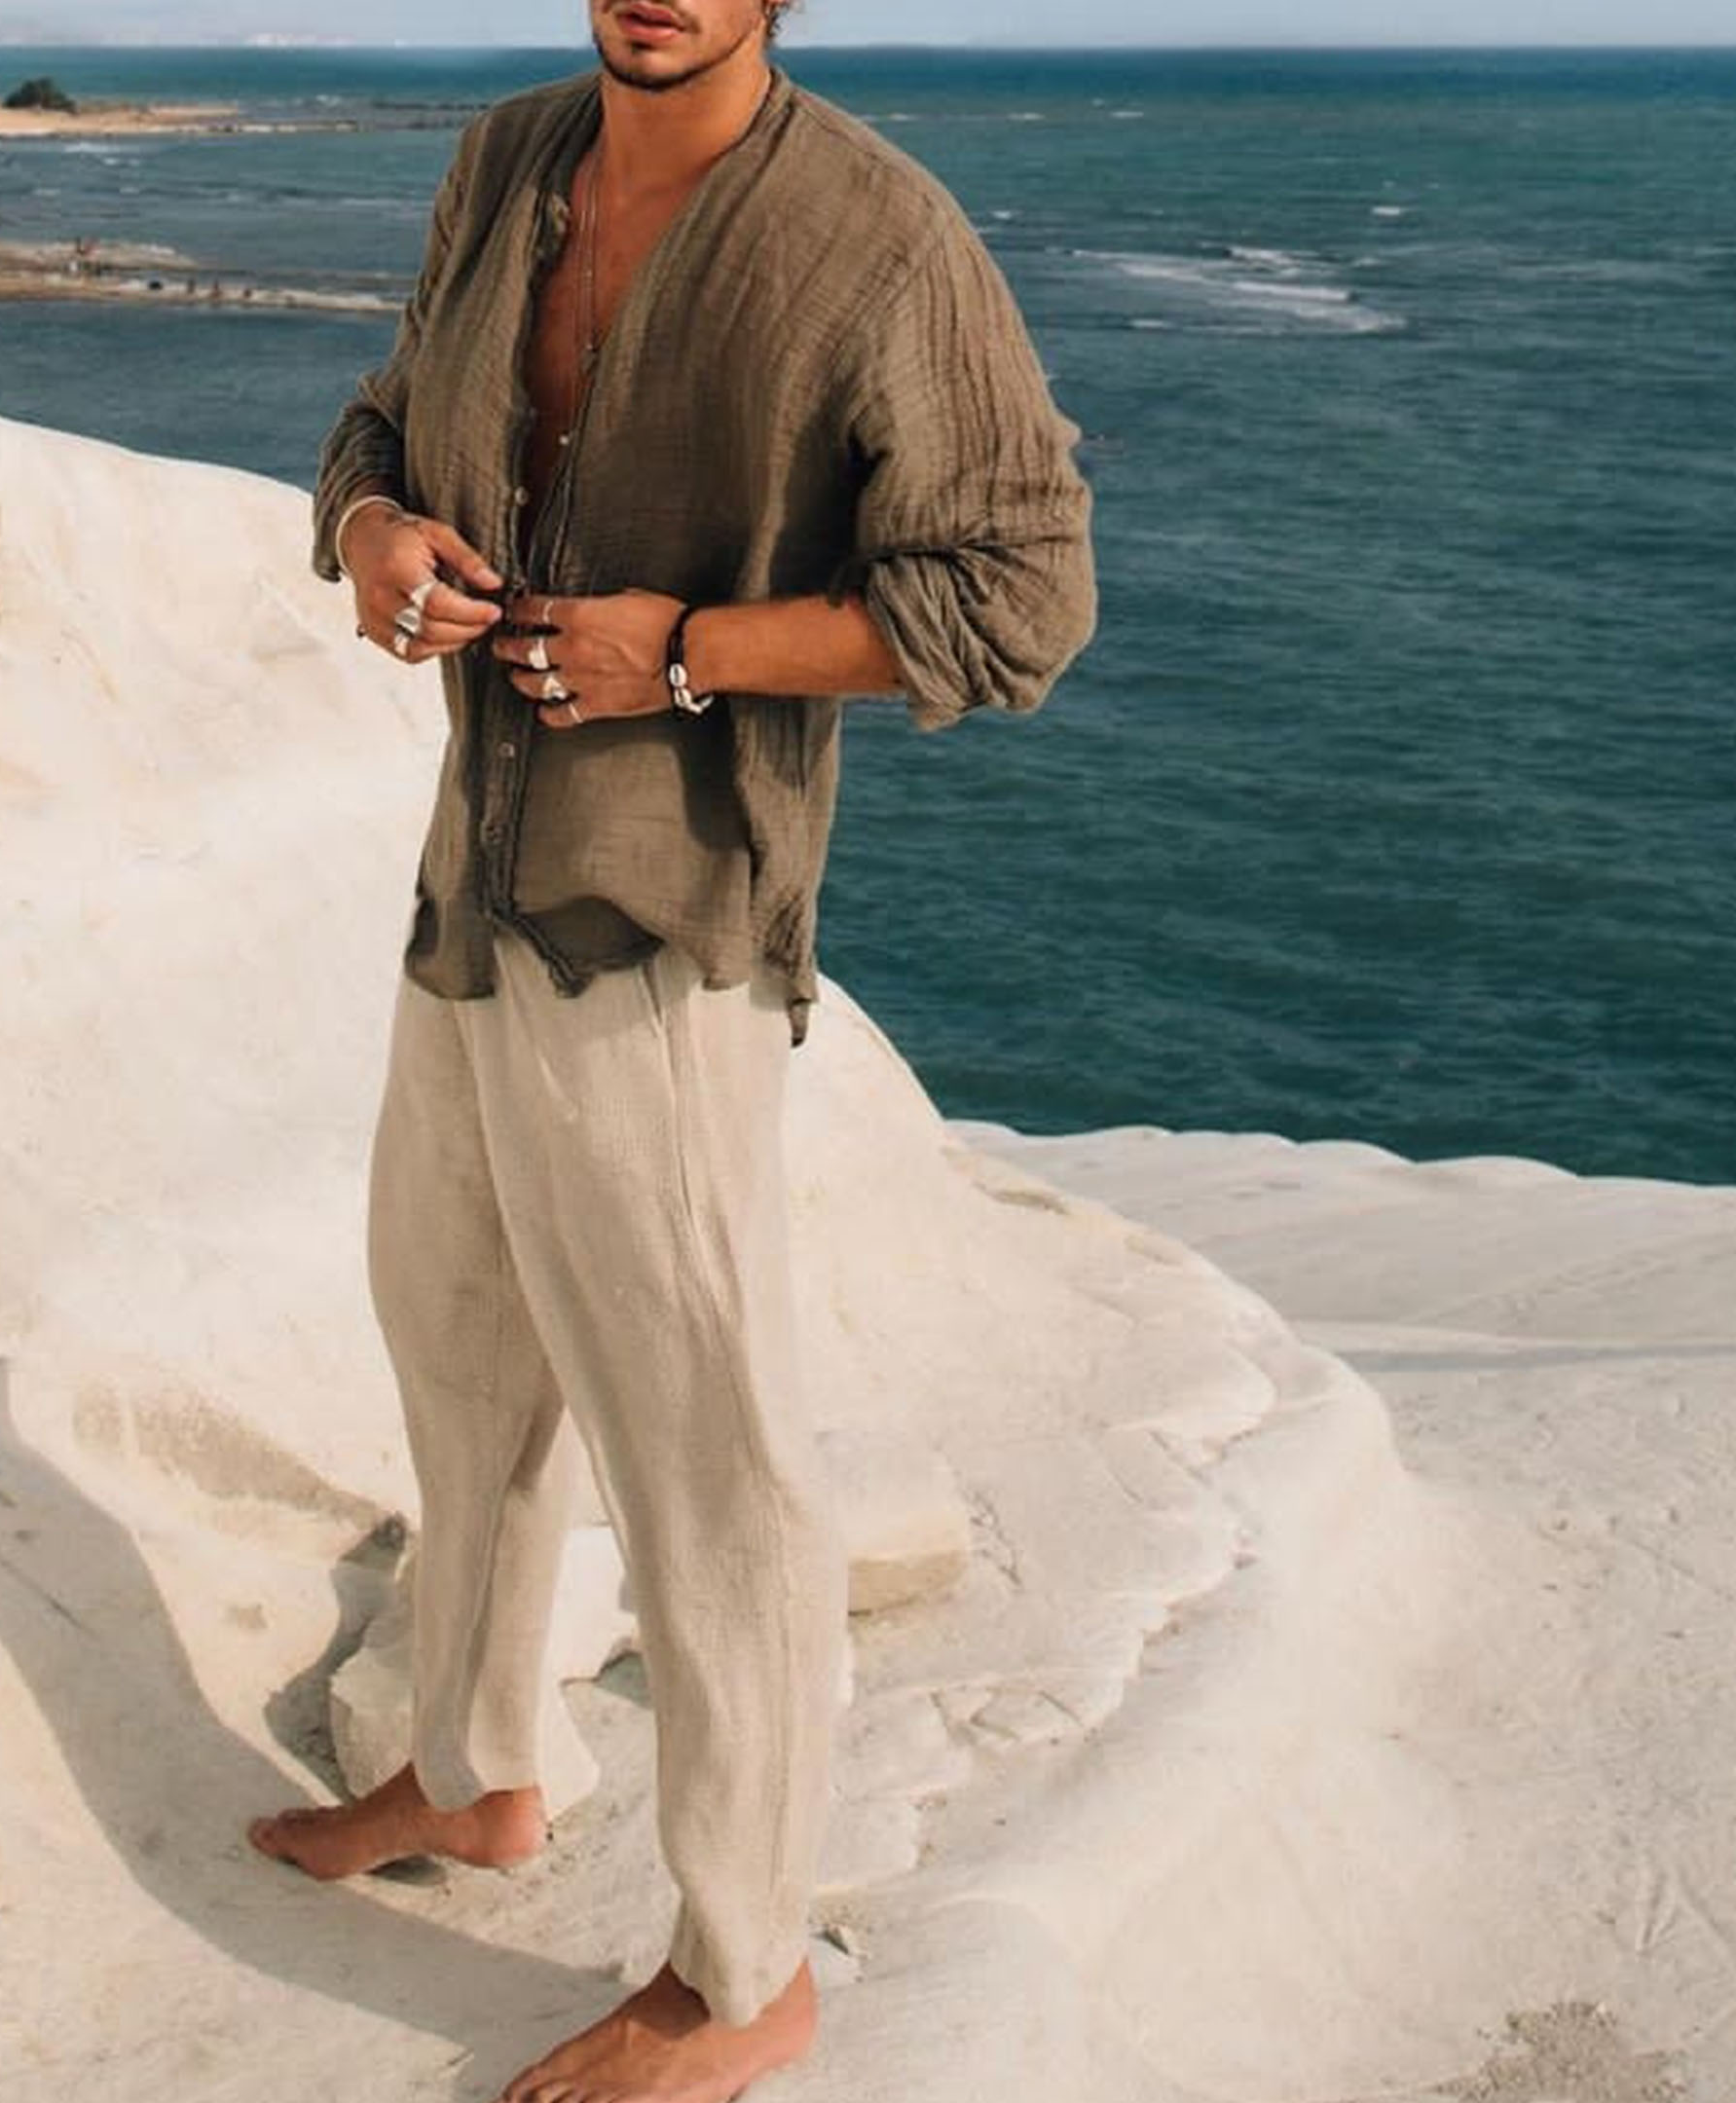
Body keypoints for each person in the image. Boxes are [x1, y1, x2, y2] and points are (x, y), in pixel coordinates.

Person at [249, 0, 1095, 2096]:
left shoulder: (879, 238)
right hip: (472, 886)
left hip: (667, 927)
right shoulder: (508, 160)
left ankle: (745, 1976)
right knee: (458, 1354)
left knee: (709, 1469)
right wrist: (375, 543)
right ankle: (475, 1775)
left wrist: (692, 651)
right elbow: (380, 424)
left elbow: (1021, 600)